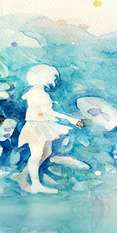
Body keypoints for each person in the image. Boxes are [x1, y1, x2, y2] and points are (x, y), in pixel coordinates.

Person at [18, 64, 83, 194]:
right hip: (36, 126)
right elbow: (46, 112)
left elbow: (45, 112)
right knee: (36, 155)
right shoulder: (36, 93)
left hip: (43, 124)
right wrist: (70, 119)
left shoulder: (40, 92)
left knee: (46, 153)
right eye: (51, 76)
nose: (53, 79)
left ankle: (23, 175)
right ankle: (36, 184)